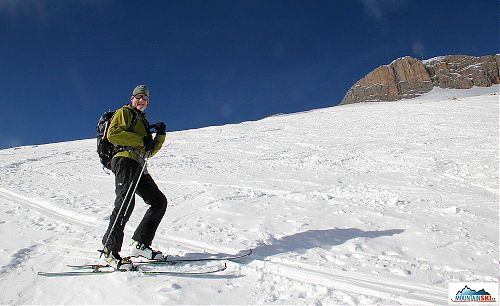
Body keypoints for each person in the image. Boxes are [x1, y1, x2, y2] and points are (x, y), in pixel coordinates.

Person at [101, 84, 168, 270]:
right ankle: (110, 249)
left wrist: (160, 136)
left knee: (159, 201)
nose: (141, 100)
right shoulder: (125, 113)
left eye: (144, 99)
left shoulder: (143, 122)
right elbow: (113, 134)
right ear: (132, 98)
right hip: (124, 159)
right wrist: (141, 140)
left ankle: (140, 244)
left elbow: (149, 151)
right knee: (125, 202)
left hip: (139, 164)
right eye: (138, 97)